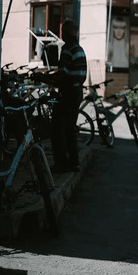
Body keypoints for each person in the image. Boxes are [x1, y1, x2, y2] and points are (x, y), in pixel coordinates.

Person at [36, 19, 87, 173]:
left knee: (57, 129)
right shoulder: (79, 49)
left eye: (63, 32)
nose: (62, 35)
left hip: (67, 94)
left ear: (66, 33)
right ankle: (74, 163)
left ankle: (61, 164)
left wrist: (43, 77)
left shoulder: (67, 49)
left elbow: (62, 75)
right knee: (70, 129)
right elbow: (77, 74)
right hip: (77, 93)